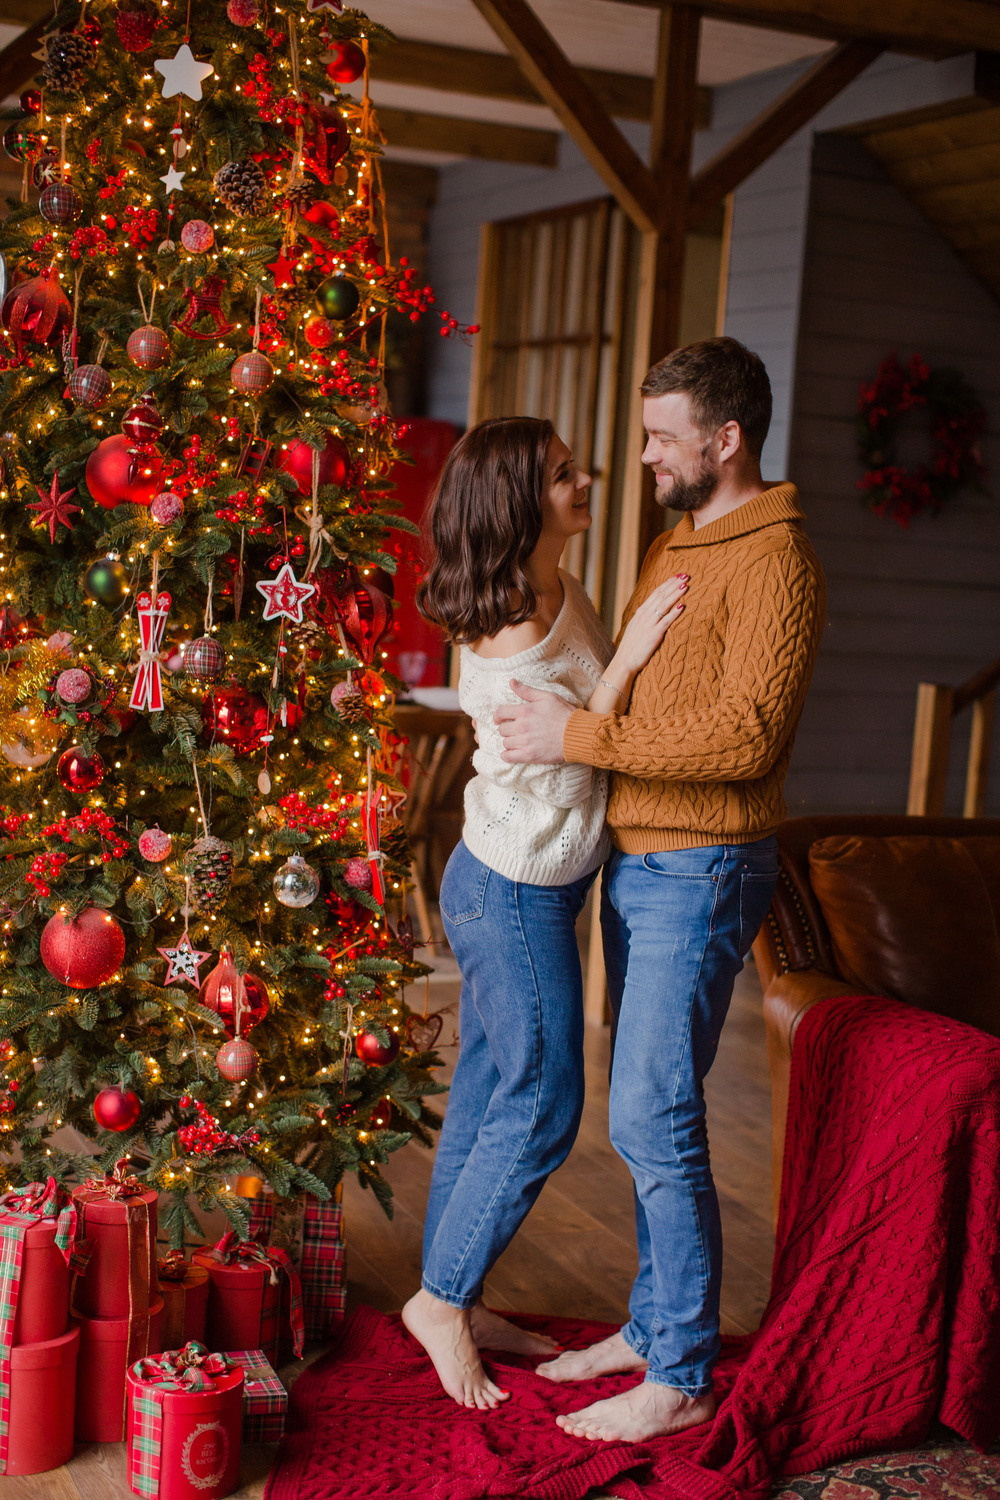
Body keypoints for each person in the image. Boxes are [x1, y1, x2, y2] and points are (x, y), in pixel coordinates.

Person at [495, 337, 826, 1442]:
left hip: (702, 862)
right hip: (645, 859)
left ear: (723, 441)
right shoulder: (683, 537)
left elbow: (743, 737)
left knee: (654, 1113)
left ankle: (679, 1372)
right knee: (650, 1111)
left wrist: (580, 735)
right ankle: (654, 1322)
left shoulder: (775, 559)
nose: (640, 458)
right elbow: (640, 695)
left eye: (659, 438)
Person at [403, 416, 690, 1410]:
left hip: (528, 883)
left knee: (489, 1095)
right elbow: (564, 743)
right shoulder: (515, 627)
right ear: (523, 503)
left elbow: (583, 729)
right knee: (542, 1101)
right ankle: (439, 1302)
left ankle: (455, 1295)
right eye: (565, 474)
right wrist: (638, 648)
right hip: (512, 891)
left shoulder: (552, 583)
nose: (586, 480)